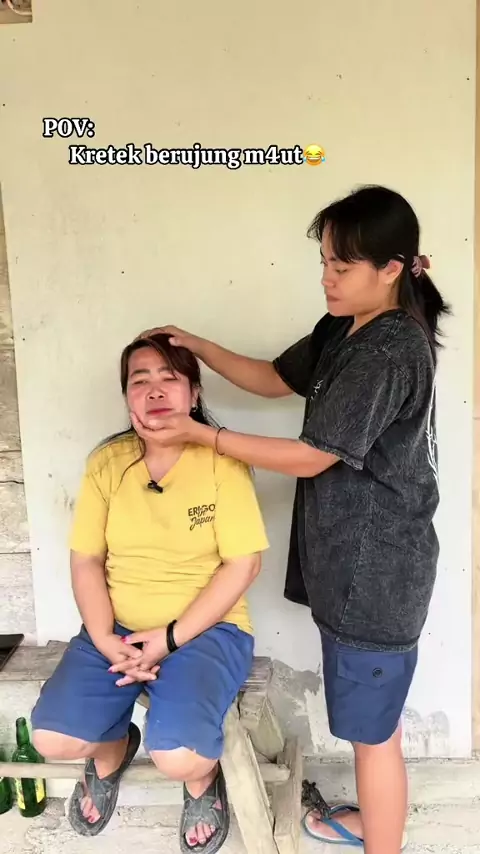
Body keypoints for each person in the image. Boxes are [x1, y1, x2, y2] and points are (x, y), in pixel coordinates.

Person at [137, 185, 450, 854]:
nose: (327, 277)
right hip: (352, 564)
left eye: (342, 265)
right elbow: (274, 377)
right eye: (324, 262)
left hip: (380, 574)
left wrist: (203, 436)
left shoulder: (389, 351)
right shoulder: (345, 327)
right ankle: (376, 824)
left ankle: (382, 841)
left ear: (391, 268)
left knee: (374, 736)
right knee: (374, 724)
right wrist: (198, 346)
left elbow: (312, 456)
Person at [31, 333, 269, 853]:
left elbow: (244, 564)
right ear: (127, 397)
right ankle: (113, 749)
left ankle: (202, 780)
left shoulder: (223, 462)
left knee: (179, 757)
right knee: (51, 739)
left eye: (170, 378)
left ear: (194, 392)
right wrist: (104, 637)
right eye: (140, 380)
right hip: (116, 630)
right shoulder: (108, 463)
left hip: (208, 631)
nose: (155, 390)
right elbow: (87, 560)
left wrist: (170, 637)